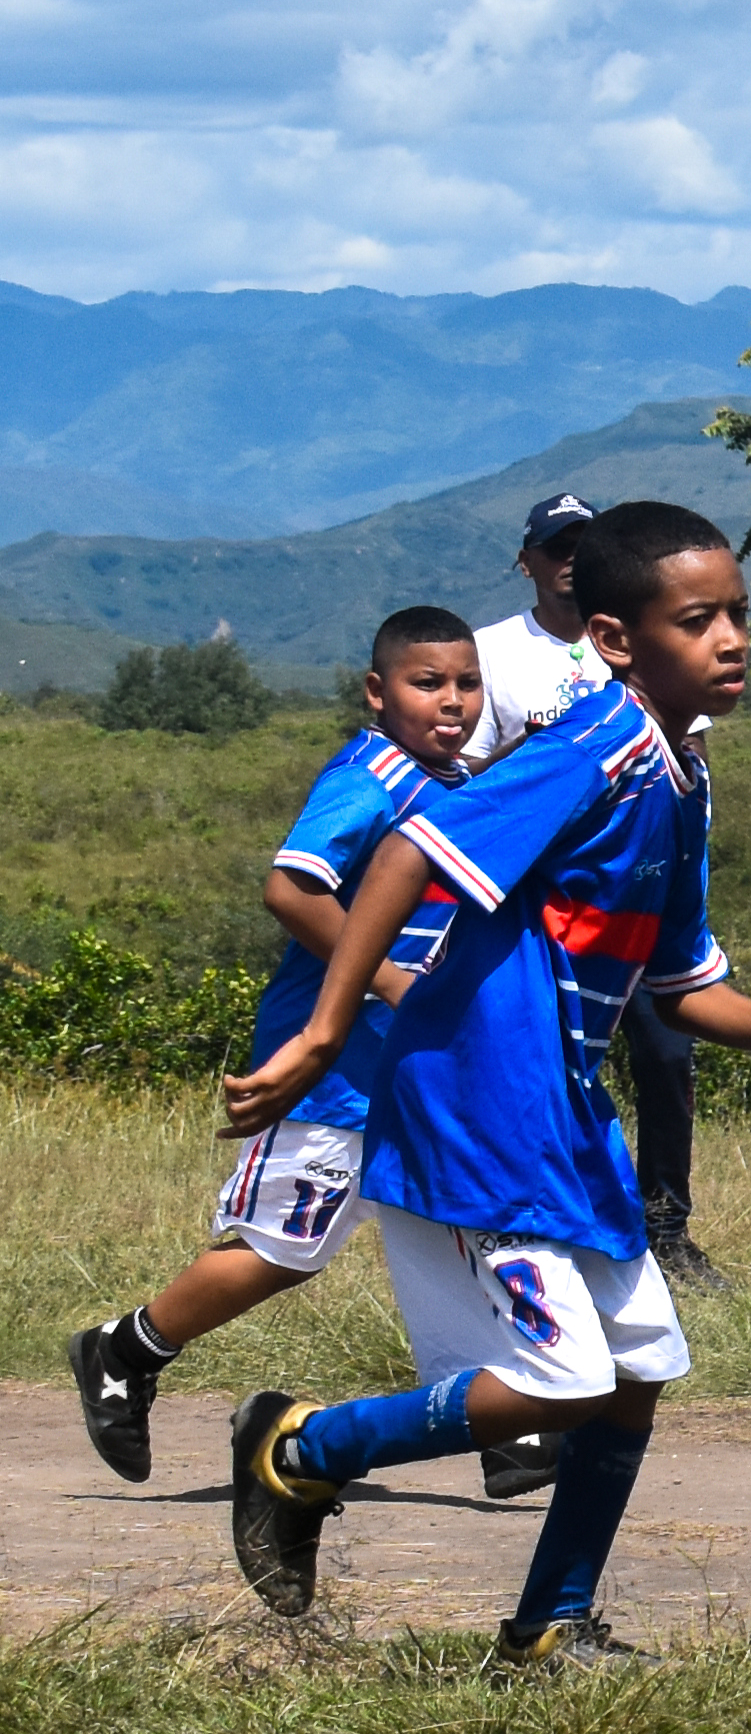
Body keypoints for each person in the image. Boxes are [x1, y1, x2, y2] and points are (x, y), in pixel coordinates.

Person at [215, 502, 751, 1661]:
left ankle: (549, 1624)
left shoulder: (678, 773)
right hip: (479, 1092)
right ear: (618, 639)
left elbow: (677, 984)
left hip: (564, 1107)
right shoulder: (593, 743)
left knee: (638, 1372)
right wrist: (329, 1029)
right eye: (699, 619)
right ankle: (299, 1448)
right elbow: (406, 850)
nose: (732, 637)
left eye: (738, 613)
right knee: (564, 1375)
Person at [63, 610, 530, 1494]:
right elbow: (292, 887)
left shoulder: (461, 780)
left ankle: (510, 1420)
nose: (453, 702)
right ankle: (124, 1349)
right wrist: (387, 981)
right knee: (283, 1251)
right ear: (377, 691)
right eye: (429, 683)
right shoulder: (369, 778)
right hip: (330, 1072)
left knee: (466, 1226)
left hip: (417, 1071)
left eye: (467, 684)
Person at [472, 489, 711, 1289]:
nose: (568, 559)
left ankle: (664, 1223)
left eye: (585, 543)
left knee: (666, 1054)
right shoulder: (497, 652)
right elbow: (463, 778)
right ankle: (557, 1226)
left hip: (629, 901)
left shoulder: (655, 646)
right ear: (528, 561)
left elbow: (688, 764)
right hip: (546, 912)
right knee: (560, 1063)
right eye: (554, 546)